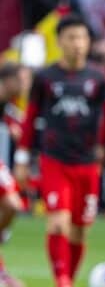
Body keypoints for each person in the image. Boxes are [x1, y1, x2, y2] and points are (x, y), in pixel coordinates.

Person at [14, 14, 105, 287]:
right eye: (71, 38)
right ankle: (62, 281)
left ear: (89, 42)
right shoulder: (45, 78)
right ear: (60, 41)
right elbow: (30, 119)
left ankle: (68, 279)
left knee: (78, 233)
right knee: (57, 224)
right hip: (54, 160)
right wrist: (21, 157)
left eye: (82, 38)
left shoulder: (99, 78)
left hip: (88, 163)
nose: (78, 44)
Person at [0, 64, 25, 287]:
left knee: (12, 204)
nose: (25, 85)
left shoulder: (7, 104)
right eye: (22, 79)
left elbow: (16, 118)